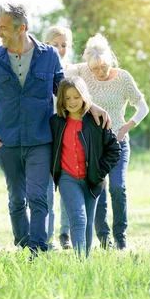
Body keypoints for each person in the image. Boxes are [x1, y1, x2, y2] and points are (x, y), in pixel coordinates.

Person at [0, 3, 109, 254]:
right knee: (17, 199)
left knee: (39, 196)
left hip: (41, 140)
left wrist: (92, 106)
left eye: (3, 28)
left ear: (21, 28)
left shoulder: (48, 55)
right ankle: (23, 244)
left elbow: (65, 90)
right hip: (6, 141)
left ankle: (37, 250)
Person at [77, 33, 149, 251]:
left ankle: (121, 237)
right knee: (97, 189)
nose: (101, 72)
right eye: (95, 68)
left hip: (117, 142)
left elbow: (142, 107)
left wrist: (127, 127)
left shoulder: (123, 78)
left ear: (111, 60)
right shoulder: (84, 73)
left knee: (118, 187)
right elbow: (63, 70)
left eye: (104, 66)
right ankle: (104, 239)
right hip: (92, 145)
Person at [50, 76, 121, 257]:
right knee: (78, 219)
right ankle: (80, 260)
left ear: (84, 97)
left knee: (88, 222)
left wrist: (99, 172)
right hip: (67, 178)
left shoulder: (97, 121)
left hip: (92, 180)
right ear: (61, 100)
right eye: (67, 98)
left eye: (76, 96)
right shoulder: (55, 122)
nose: (72, 101)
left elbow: (114, 150)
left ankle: (84, 262)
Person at [43, 26, 76, 250]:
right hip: (46, 133)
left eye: (64, 45)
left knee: (67, 184)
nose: (60, 49)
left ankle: (66, 232)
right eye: (55, 45)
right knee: (46, 188)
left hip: (68, 134)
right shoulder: (41, 69)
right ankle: (47, 234)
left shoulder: (74, 71)